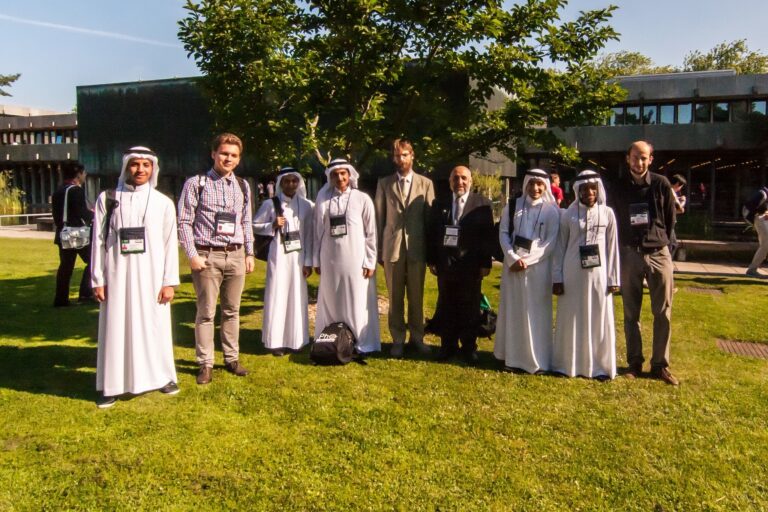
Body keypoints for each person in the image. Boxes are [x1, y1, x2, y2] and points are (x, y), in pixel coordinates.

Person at [91, 146, 180, 408]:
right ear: (126, 167)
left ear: (153, 168)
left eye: (146, 165)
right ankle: (112, 385)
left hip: (152, 277)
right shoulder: (107, 198)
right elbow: (97, 241)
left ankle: (161, 377)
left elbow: (168, 244)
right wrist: (98, 278)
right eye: (135, 164)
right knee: (116, 328)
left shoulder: (163, 202)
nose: (140, 170)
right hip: (117, 275)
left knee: (155, 326)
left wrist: (169, 281)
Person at [178, 133, 254, 385]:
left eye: (233, 155)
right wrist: (192, 255)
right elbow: (184, 222)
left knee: (232, 311)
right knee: (206, 312)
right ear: (213, 154)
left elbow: (246, 222)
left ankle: (231, 358)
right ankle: (205, 363)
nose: (228, 159)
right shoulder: (196, 184)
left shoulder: (243, 186)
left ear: (239, 159)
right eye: (224, 153)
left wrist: (249, 253)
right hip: (207, 256)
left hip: (235, 255)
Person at [608, 141, 678, 385]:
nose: (639, 162)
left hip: (659, 254)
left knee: (663, 313)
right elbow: (613, 221)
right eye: (635, 157)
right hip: (629, 254)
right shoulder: (617, 187)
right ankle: (634, 363)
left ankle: (660, 365)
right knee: (630, 313)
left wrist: (662, 246)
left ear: (651, 159)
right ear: (627, 158)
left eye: (643, 158)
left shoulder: (661, 184)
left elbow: (670, 221)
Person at [551, 170, 620, 380]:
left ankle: (599, 367)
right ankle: (567, 365)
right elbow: (560, 247)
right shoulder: (567, 214)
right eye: (584, 189)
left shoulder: (607, 213)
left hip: (599, 274)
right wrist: (557, 277)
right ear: (577, 191)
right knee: (571, 318)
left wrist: (614, 278)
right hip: (572, 273)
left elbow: (612, 247)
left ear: (598, 190)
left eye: (592, 188)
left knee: (599, 318)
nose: (589, 192)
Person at [493, 169, 560, 373]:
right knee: (514, 312)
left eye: (540, 184)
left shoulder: (552, 211)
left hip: (538, 270)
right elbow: (504, 233)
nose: (535, 188)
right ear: (526, 185)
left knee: (536, 314)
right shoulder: (512, 206)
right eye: (532, 184)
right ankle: (512, 359)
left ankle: (537, 361)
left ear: (545, 186)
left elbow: (550, 243)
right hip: (513, 268)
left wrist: (526, 261)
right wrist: (513, 258)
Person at [374, 139, 435, 358]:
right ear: (393, 158)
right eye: (397, 156)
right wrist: (380, 251)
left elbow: (429, 221)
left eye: (405, 155)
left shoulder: (426, 184)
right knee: (395, 297)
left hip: (418, 248)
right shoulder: (384, 183)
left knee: (417, 297)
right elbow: (379, 219)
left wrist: (432, 253)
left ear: (412, 155)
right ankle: (397, 339)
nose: (401, 159)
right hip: (392, 248)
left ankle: (417, 338)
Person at [427, 165, 494, 364]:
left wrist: (485, 262)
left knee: (470, 307)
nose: (460, 182)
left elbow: (487, 237)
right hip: (446, 264)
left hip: (471, 265)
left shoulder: (482, 204)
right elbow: (432, 233)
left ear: (471, 181)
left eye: (464, 178)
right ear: (450, 182)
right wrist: (431, 259)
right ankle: (447, 346)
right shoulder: (439, 204)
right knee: (446, 305)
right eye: (456, 178)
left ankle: (468, 347)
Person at [313, 158, 380, 354]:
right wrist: (317, 260)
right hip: (330, 258)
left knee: (357, 300)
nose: (339, 177)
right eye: (335, 174)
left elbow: (371, 233)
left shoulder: (362, 198)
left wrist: (370, 260)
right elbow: (318, 232)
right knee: (332, 299)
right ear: (330, 177)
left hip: (356, 259)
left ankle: (360, 342)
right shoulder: (323, 199)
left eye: (343, 173)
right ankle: (333, 340)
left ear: (350, 175)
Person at [253, 167, 314, 355]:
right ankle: (276, 341)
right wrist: (271, 225)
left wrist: (309, 261)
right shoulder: (270, 204)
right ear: (280, 183)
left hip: (298, 257)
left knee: (297, 296)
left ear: (299, 183)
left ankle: (297, 339)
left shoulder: (306, 205)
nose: (290, 184)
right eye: (286, 181)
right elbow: (254, 225)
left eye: (294, 181)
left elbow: (310, 235)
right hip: (278, 256)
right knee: (277, 295)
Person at [52, 165, 94, 307]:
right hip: (77, 234)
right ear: (78, 174)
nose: (85, 175)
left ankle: (61, 299)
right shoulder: (76, 191)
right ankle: (86, 293)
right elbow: (82, 213)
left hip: (63, 233)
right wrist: (95, 214)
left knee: (66, 267)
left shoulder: (59, 191)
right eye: (84, 173)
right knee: (93, 261)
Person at [743, 185, 768, 278]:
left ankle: (753, 269)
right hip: (758, 219)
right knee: (765, 245)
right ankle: (752, 270)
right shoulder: (763, 195)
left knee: (765, 245)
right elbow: (751, 209)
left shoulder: (763, 194)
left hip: (759, 219)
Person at [668, 174, 687, 259]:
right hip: (669, 222)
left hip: (666, 222)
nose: (680, 189)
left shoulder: (666, 190)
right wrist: (683, 201)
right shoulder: (671, 191)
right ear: (677, 184)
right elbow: (679, 209)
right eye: (681, 186)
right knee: (672, 245)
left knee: (672, 244)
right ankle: (668, 263)